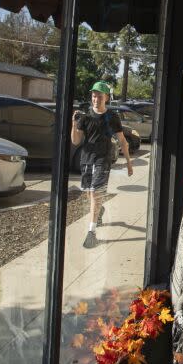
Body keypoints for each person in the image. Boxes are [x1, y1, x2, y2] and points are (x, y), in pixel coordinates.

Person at [71, 81, 133, 248]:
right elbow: (76, 141)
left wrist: (128, 163)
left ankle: (92, 231)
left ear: (106, 97)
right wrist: (73, 123)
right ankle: (99, 211)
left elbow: (122, 141)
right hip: (86, 159)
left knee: (95, 193)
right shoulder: (85, 117)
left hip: (103, 160)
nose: (96, 99)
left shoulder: (112, 117)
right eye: (93, 96)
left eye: (99, 96)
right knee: (89, 194)